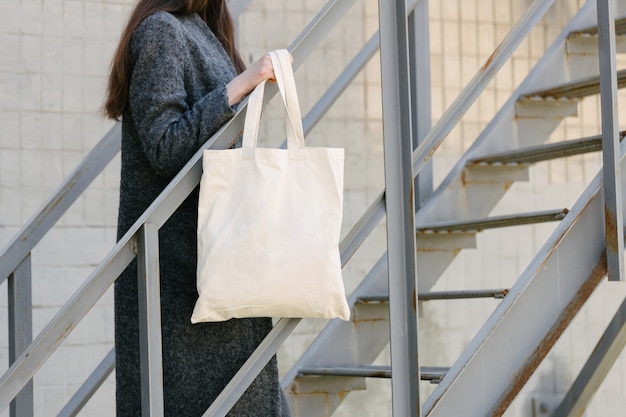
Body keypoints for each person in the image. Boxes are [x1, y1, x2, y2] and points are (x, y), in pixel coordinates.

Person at [104, 0, 286, 415]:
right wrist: (239, 86)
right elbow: (165, 145)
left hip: (214, 266)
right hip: (182, 280)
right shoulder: (161, 30)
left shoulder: (204, 29)